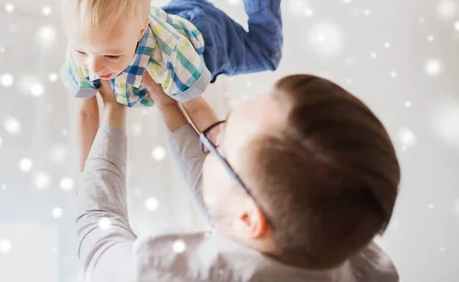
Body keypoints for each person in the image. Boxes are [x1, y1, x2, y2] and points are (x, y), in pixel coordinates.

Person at [76, 73, 401, 281]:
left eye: (222, 145)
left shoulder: (172, 273)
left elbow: (97, 223)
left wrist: (112, 108)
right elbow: (237, 198)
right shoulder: (361, 260)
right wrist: (168, 107)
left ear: (249, 219)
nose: (210, 139)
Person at [59, 0, 283, 170]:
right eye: (81, 51)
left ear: (140, 32)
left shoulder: (169, 57)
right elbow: (85, 112)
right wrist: (84, 171)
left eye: (111, 55)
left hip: (209, 45)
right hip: (177, 17)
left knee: (266, 55)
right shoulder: (90, 44)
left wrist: (221, 149)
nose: (94, 68)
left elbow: (197, 108)